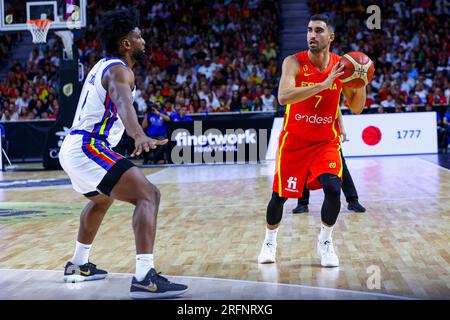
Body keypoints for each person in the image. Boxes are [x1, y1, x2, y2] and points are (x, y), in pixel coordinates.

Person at [58, 8, 188, 299]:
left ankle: (79, 264)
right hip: (88, 146)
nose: (143, 41)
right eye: (138, 36)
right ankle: (144, 276)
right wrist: (138, 134)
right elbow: (122, 101)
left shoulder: (102, 65)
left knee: (101, 199)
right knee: (149, 195)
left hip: (75, 147)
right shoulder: (120, 70)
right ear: (126, 43)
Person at [258, 14, 367, 267]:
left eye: (318, 30)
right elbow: (284, 97)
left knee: (332, 189)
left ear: (331, 37)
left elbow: (357, 107)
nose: (312, 35)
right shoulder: (294, 62)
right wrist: (325, 83)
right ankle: (269, 240)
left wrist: (361, 80)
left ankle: (325, 241)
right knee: (279, 198)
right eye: (309, 30)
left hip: (325, 143)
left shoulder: (343, 66)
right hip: (294, 141)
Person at [293, 109, 366, 214]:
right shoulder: (304, 93)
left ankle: (353, 200)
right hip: (307, 136)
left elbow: (337, 109)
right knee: (304, 168)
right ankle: (302, 203)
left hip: (329, 138)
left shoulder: (330, 93)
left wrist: (342, 128)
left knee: (342, 167)